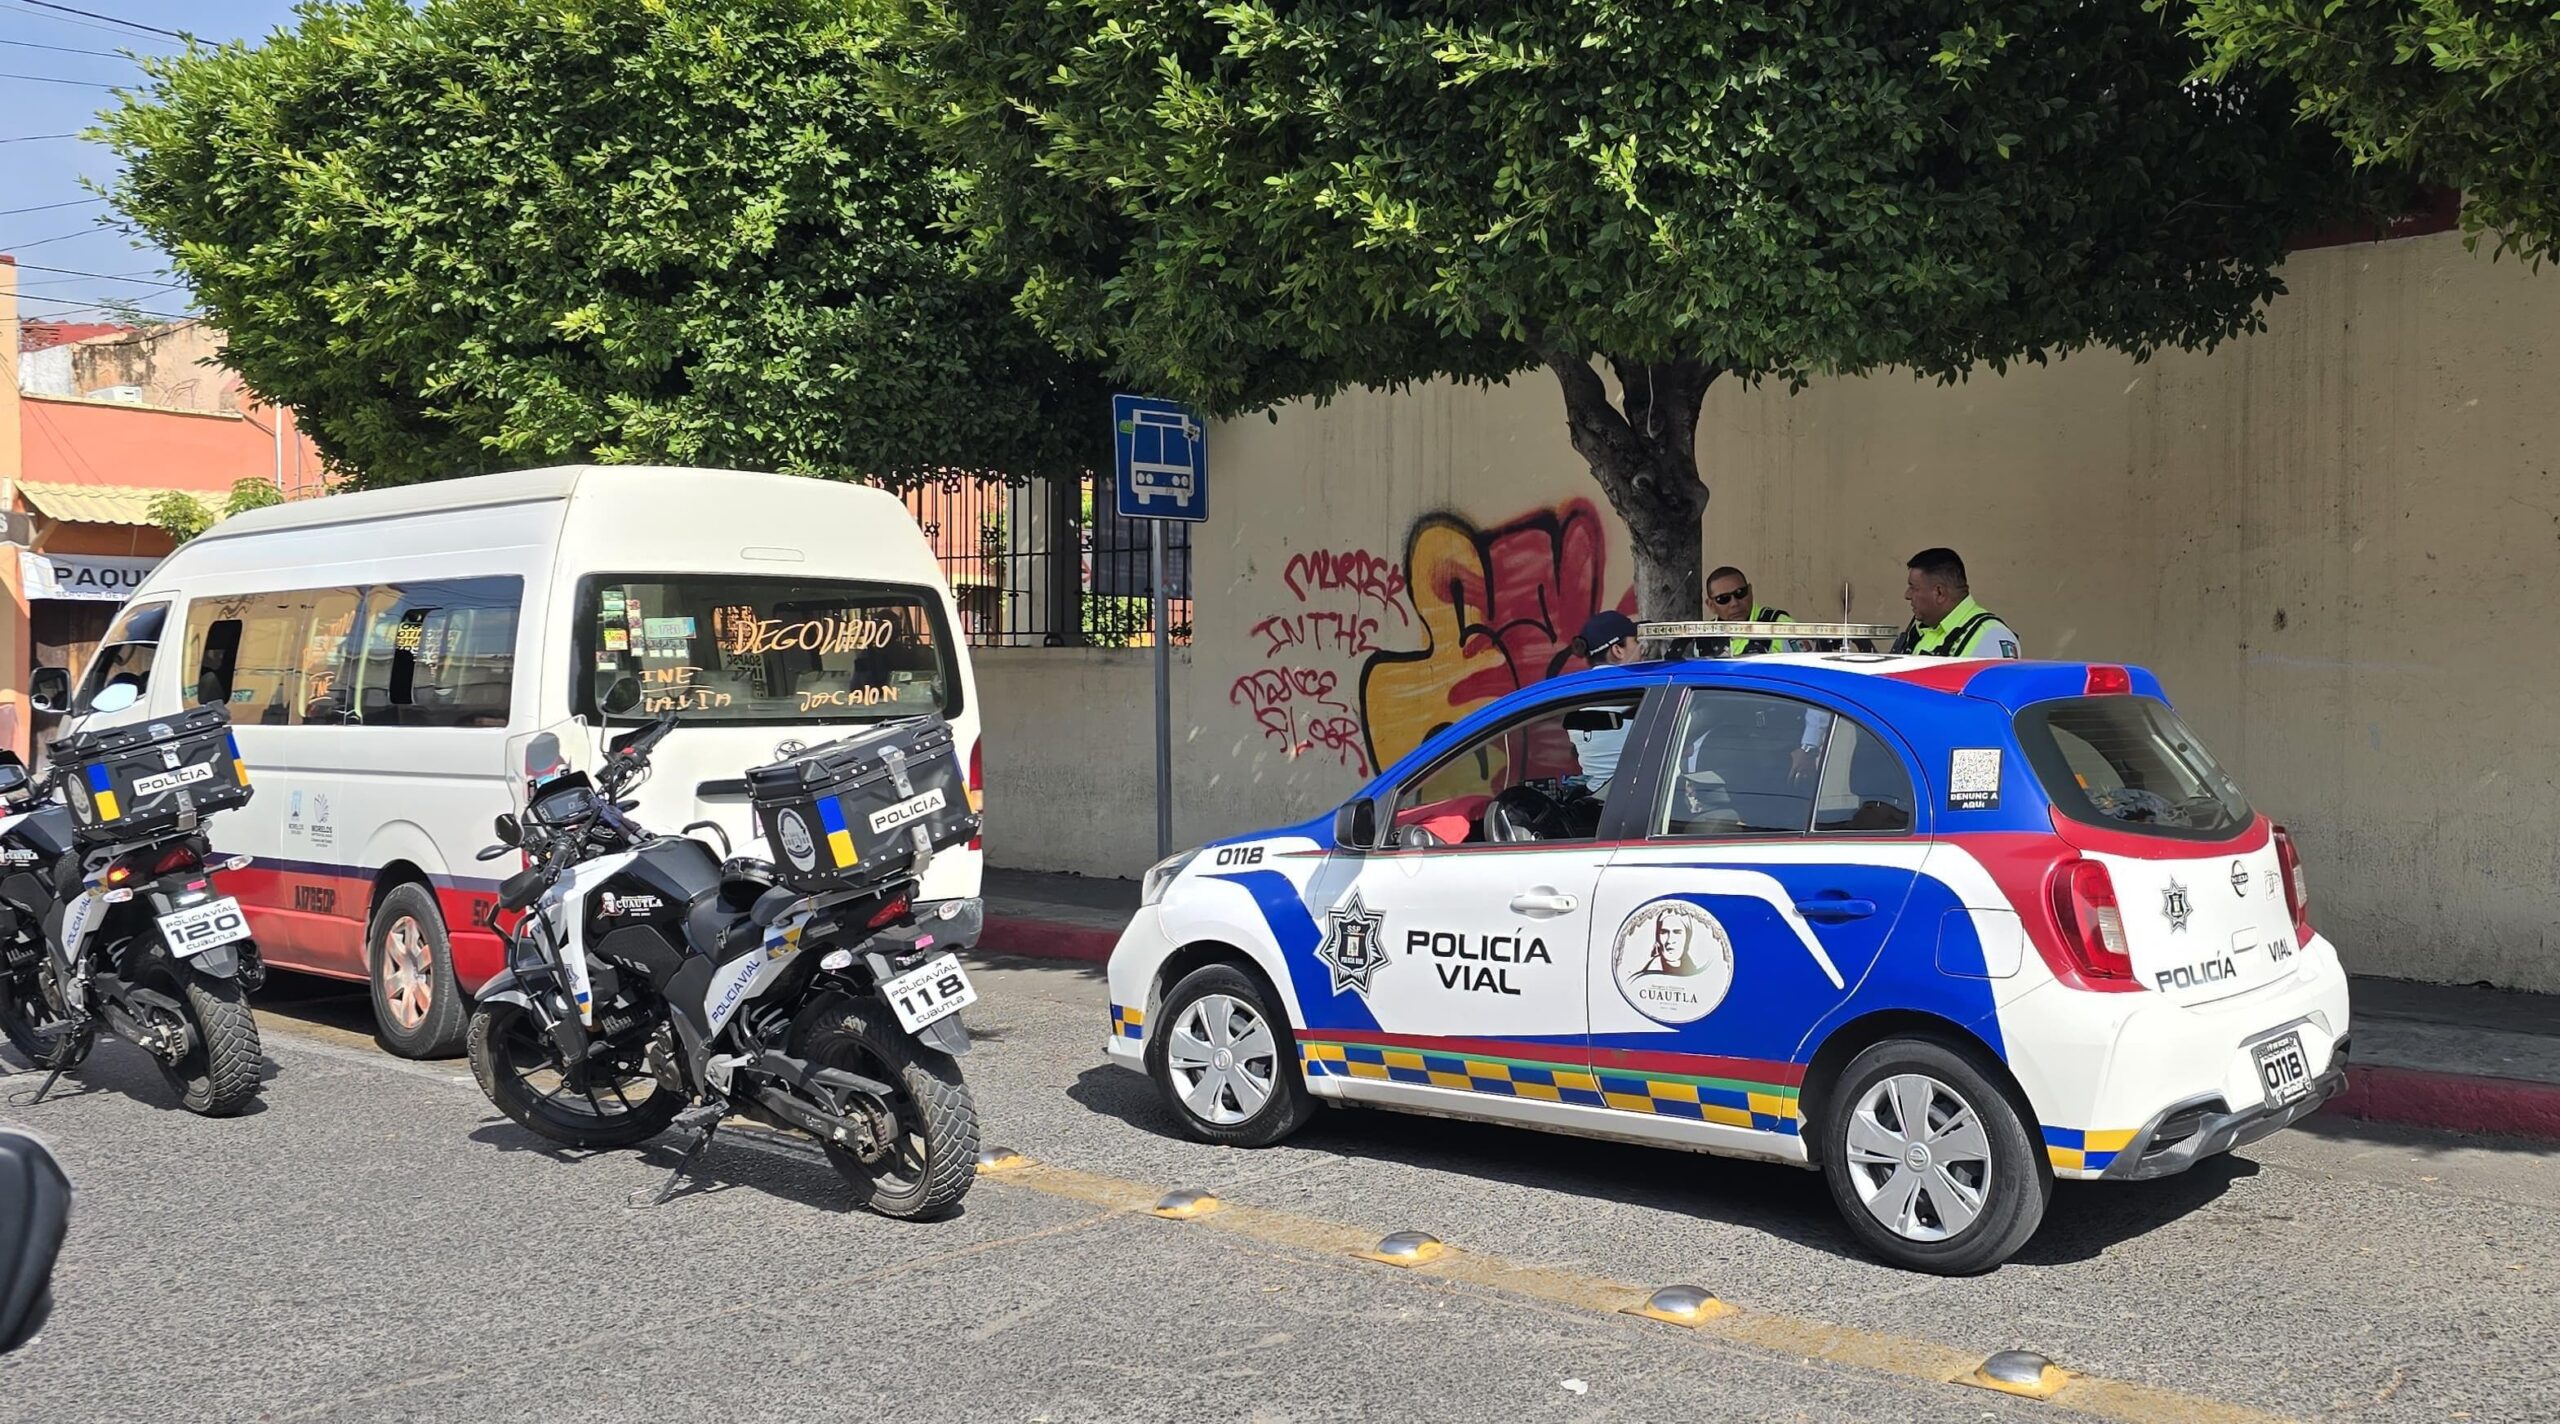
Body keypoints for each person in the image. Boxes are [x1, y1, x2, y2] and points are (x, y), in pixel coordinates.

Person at [1892, 547, 2021, 659]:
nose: (1907, 595)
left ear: (1939, 593)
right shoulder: (1920, 630)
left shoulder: (1992, 637)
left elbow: (1996, 687)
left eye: (1914, 588)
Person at [1567, 610, 1640, 784]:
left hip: (1597, 802)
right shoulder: (1640, 695)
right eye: (1635, 642)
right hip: (1644, 802)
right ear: (1618, 650)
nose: (1641, 649)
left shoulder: (1577, 703)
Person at [1705, 567, 1800, 655]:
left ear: (1750, 591)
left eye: (1740, 593)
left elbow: (1805, 670)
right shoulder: (1703, 636)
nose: (1734, 603)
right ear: (1711, 605)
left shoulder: (1780, 625)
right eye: (1723, 598)